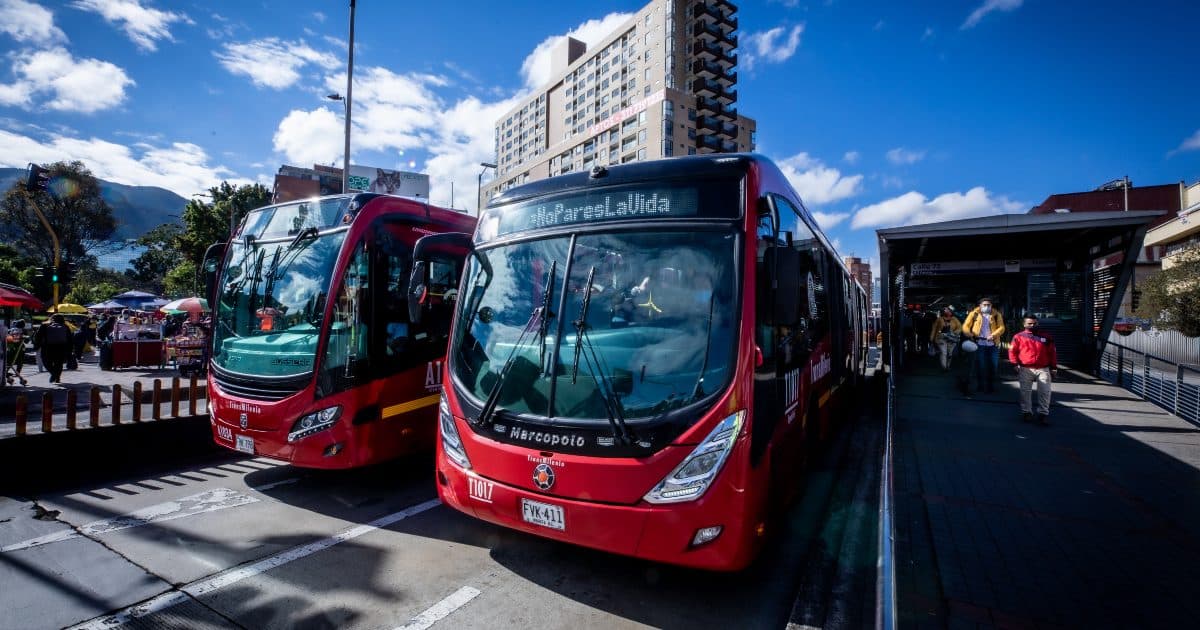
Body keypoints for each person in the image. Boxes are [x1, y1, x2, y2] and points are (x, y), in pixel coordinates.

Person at [1009, 315, 1057, 425]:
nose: (1032, 325)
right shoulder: (1018, 337)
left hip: (1043, 368)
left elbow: (1052, 353)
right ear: (1024, 324)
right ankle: (1026, 413)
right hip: (1025, 368)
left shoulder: (1046, 337)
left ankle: (1043, 414)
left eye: (1034, 323)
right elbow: (1012, 351)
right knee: (1025, 392)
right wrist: (1014, 364)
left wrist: (1054, 367)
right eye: (1029, 323)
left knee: (1045, 392)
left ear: (1038, 324)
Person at [962, 297, 1006, 393]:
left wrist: (993, 335)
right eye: (984, 305)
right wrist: (970, 334)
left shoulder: (996, 315)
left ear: (991, 306)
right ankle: (981, 385)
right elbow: (965, 326)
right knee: (980, 366)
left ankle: (990, 386)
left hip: (993, 344)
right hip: (979, 344)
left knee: (993, 366)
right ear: (980, 306)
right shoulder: (973, 314)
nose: (986, 307)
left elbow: (1002, 327)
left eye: (988, 305)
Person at [35, 314, 72, 384]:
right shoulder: (65, 327)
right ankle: (57, 377)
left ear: (51, 319)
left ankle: (53, 374)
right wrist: (69, 350)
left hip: (47, 347)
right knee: (59, 363)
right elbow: (70, 339)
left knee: (46, 362)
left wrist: (37, 346)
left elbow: (38, 337)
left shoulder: (45, 325)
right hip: (61, 347)